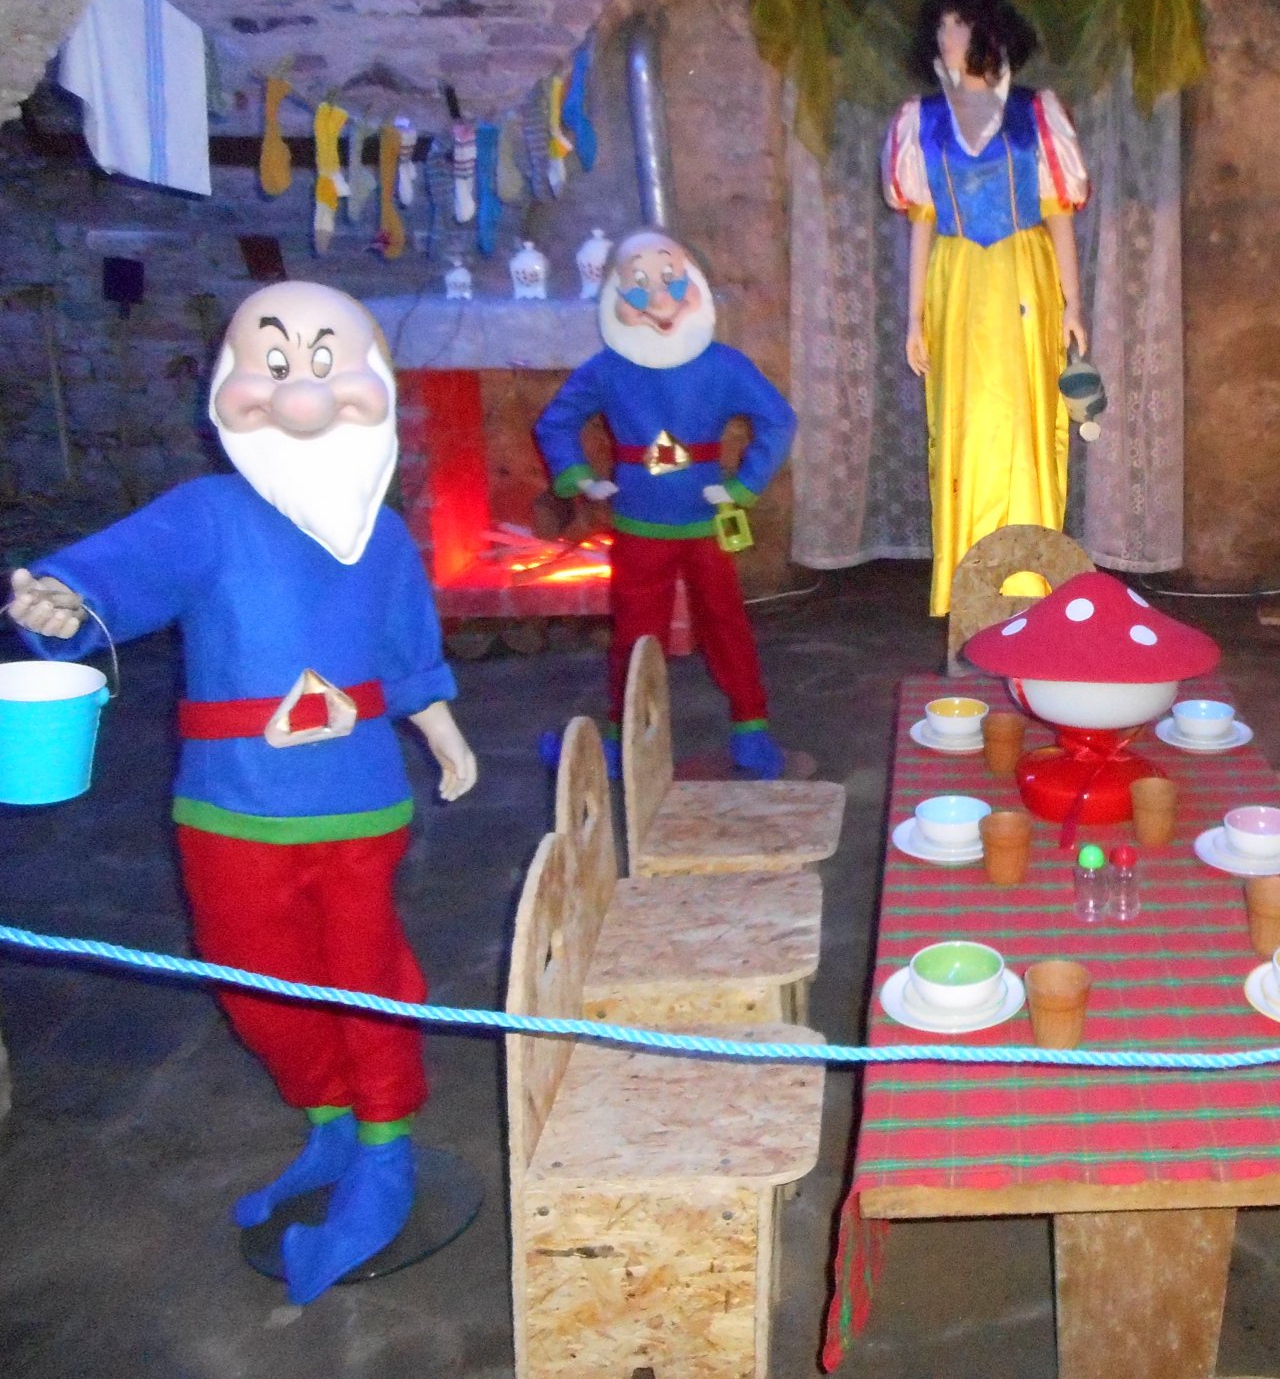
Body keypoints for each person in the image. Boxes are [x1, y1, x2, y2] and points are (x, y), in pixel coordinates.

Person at [7, 282, 477, 1302]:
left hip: (357, 804)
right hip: (228, 806)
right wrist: (67, 599)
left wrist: (438, 725)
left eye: (326, 359)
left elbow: (405, 646)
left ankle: (386, 1144)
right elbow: (118, 576)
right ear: (229, 381)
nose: (299, 383)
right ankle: (330, 1121)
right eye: (273, 360)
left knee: (364, 976)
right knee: (258, 987)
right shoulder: (207, 514)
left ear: (373, 381)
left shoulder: (382, 534)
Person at [535, 229, 796, 779]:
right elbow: (556, 423)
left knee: (726, 625)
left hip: (707, 521)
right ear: (616, 294)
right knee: (634, 635)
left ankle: (751, 726)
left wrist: (744, 487)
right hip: (640, 525)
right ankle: (621, 735)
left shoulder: (724, 365)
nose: (658, 295)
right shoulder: (607, 368)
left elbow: (778, 419)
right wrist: (581, 479)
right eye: (639, 282)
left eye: (670, 278)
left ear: (692, 283)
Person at [883, 0, 1090, 617]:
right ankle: (972, 591)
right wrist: (913, 317)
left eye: (960, 23)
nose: (948, 36)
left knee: (1025, 423)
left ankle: (1029, 589)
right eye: (942, 25)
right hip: (958, 283)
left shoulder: (1036, 113)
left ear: (987, 29)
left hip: (1024, 277)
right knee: (965, 427)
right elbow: (921, 220)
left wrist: (1074, 305)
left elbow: (1058, 212)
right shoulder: (919, 120)